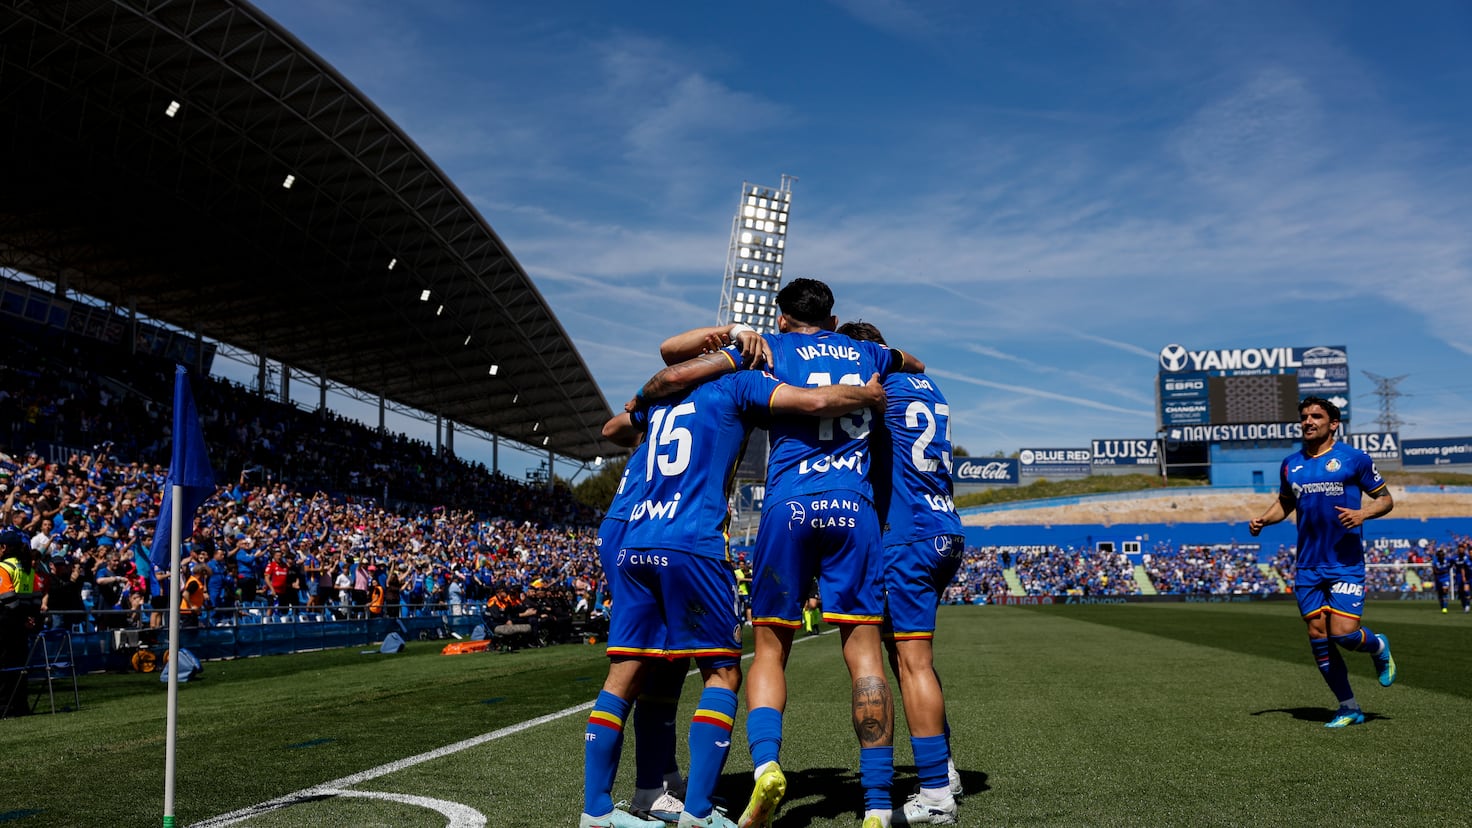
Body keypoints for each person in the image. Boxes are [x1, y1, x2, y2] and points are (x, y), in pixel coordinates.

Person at [579, 347, 886, 828]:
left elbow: (620, 422)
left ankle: (597, 809)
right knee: (722, 673)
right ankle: (698, 813)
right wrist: (864, 394)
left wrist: (692, 362)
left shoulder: (663, 400)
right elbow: (811, 402)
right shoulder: (739, 384)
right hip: (692, 543)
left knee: (626, 675)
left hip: (635, 540)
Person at [661, 278, 923, 828]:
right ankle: (877, 804)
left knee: (772, 647)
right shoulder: (869, 351)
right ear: (832, 318)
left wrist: (737, 338)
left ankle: (767, 767)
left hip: (788, 508)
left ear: (781, 318)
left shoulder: (772, 348)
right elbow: (914, 364)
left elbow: (675, 365)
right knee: (867, 658)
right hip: (854, 510)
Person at [839, 320, 963, 825]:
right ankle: (945, 769)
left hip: (906, 533)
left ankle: (935, 795)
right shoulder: (927, 385)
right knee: (908, 657)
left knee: (910, 662)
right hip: (945, 524)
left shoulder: (874, 386)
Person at [1248, 396, 1396, 728]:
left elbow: (1386, 500)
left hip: (1344, 562)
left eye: (1316, 416)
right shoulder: (1290, 464)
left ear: (1333, 424)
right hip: (1307, 566)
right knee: (1318, 635)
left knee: (1343, 633)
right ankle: (1348, 707)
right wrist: (1263, 519)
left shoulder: (1354, 459)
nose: (1308, 421)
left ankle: (1378, 647)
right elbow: (1284, 503)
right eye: (1304, 417)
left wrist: (1362, 513)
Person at [0, 528, 41, 716]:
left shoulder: (4, 567)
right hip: (24, 626)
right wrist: (30, 619)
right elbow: (36, 600)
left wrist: (22, 619)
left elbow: (8, 599)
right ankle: (20, 705)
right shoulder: (27, 568)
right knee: (20, 668)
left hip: (6, 624)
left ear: (4, 547)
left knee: (5, 667)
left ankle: (4, 708)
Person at [1432, 549, 1453, 613]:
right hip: (1438, 579)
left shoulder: (1447, 560)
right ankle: (1442, 606)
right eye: (1440, 555)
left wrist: (1449, 568)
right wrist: (1442, 571)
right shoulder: (1435, 562)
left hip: (1445, 578)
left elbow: (1452, 562)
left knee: (1445, 591)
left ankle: (1445, 607)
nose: (1442, 557)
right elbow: (1435, 571)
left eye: (1443, 555)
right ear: (1438, 556)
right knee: (1440, 594)